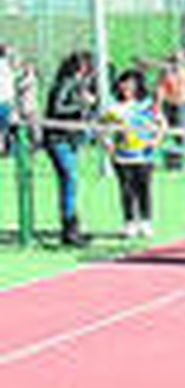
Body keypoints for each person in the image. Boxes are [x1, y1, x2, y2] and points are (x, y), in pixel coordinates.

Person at [101, 69, 167, 239]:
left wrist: (156, 140)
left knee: (143, 188)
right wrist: (108, 145)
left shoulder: (146, 106)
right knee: (127, 190)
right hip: (123, 156)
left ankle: (146, 221)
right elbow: (103, 128)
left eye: (130, 85)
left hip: (144, 155)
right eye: (123, 84)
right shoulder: (114, 107)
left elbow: (161, 124)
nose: (126, 88)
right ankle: (129, 222)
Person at [42, 52, 97, 247]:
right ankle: (69, 228)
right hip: (59, 139)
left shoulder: (80, 84)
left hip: (71, 139)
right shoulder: (66, 83)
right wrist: (81, 104)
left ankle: (73, 226)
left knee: (71, 182)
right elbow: (58, 109)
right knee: (69, 179)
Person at [157, 53, 185, 170]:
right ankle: (170, 161)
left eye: (179, 61)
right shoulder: (167, 76)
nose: (176, 64)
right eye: (174, 61)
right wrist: (158, 107)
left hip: (183, 105)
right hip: (169, 105)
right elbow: (161, 91)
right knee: (167, 132)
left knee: (181, 133)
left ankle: (181, 161)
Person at [0, 44, 14, 157]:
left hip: (6, 101)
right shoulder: (5, 66)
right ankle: (5, 149)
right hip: (4, 101)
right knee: (5, 128)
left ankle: (5, 148)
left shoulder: (7, 66)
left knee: (4, 128)